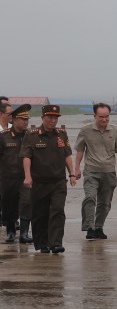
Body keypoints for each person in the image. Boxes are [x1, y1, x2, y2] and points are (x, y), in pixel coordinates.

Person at [20, 105, 77, 253]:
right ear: (42, 118)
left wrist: (71, 174)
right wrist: (27, 176)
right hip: (39, 182)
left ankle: (56, 243)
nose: (53, 120)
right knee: (40, 213)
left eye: (56, 117)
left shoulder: (61, 134)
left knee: (58, 210)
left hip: (58, 181)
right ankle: (42, 243)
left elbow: (67, 154)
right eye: (50, 117)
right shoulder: (32, 135)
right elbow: (27, 156)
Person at [74, 103, 117, 240]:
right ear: (94, 116)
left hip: (109, 171)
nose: (104, 120)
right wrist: (77, 168)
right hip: (91, 171)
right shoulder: (85, 130)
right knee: (90, 198)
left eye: (107, 116)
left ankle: (99, 227)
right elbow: (80, 150)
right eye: (101, 117)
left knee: (105, 203)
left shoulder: (115, 130)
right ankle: (89, 227)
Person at [0, 104, 33, 243]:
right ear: (13, 119)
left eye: (27, 119)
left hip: (26, 177)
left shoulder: (31, 136)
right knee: (9, 205)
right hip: (8, 177)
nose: (26, 122)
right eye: (22, 119)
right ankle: (11, 232)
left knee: (27, 203)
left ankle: (24, 233)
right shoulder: (4, 137)